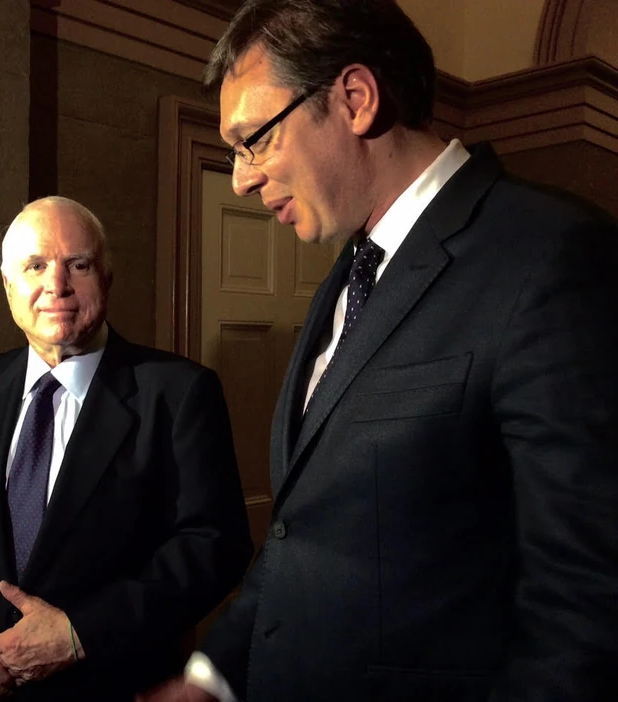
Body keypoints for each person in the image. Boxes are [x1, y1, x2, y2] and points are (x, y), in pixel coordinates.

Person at [140, 1, 618, 701]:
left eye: (255, 140)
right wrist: (211, 678)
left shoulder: (552, 256)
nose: (240, 178)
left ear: (356, 99)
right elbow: (304, 532)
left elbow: (585, 605)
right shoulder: (348, 276)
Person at [0, 196, 253, 702]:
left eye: (78, 265)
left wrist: (81, 633)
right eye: (35, 266)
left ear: (107, 277)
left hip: (118, 685)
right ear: (8, 285)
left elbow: (215, 544)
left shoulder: (178, 393)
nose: (56, 286)